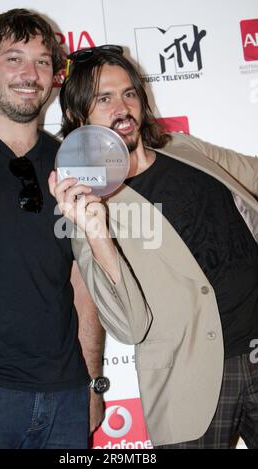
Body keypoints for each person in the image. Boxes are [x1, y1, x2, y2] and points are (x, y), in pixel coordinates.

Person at [49, 45, 258, 449]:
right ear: (80, 117)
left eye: (129, 93)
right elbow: (128, 325)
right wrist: (97, 235)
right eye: (104, 99)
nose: (122, 107)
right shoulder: (89, 205)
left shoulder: (184, 148)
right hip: (192, 382)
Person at [0, 9, 125, 449]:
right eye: (14, 58)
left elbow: (83, 284)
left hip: (67, 396)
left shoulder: (76, 163)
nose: (30, 73)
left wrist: (92, 382)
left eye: (43, 61)